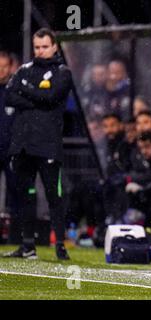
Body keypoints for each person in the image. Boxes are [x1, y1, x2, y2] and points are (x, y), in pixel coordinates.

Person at [3, 28, 73, 260]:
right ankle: (27, 245)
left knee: (54, 195)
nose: (40, 51)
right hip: (23, 144)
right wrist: (36, 96)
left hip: (48, 143)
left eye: (45, 46)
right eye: (37, 47)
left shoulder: (62, 72)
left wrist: (26, 90)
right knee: (25, 195)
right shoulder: (24, 69)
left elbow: (52, 97)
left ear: (54, 46)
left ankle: (60, 245)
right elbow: (10, 96)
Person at [0, 51, 20, 244]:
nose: (1, 70)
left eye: (4, 66)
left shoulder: (15, 90)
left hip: (11, 151)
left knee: (16, 192)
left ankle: (15, 236)